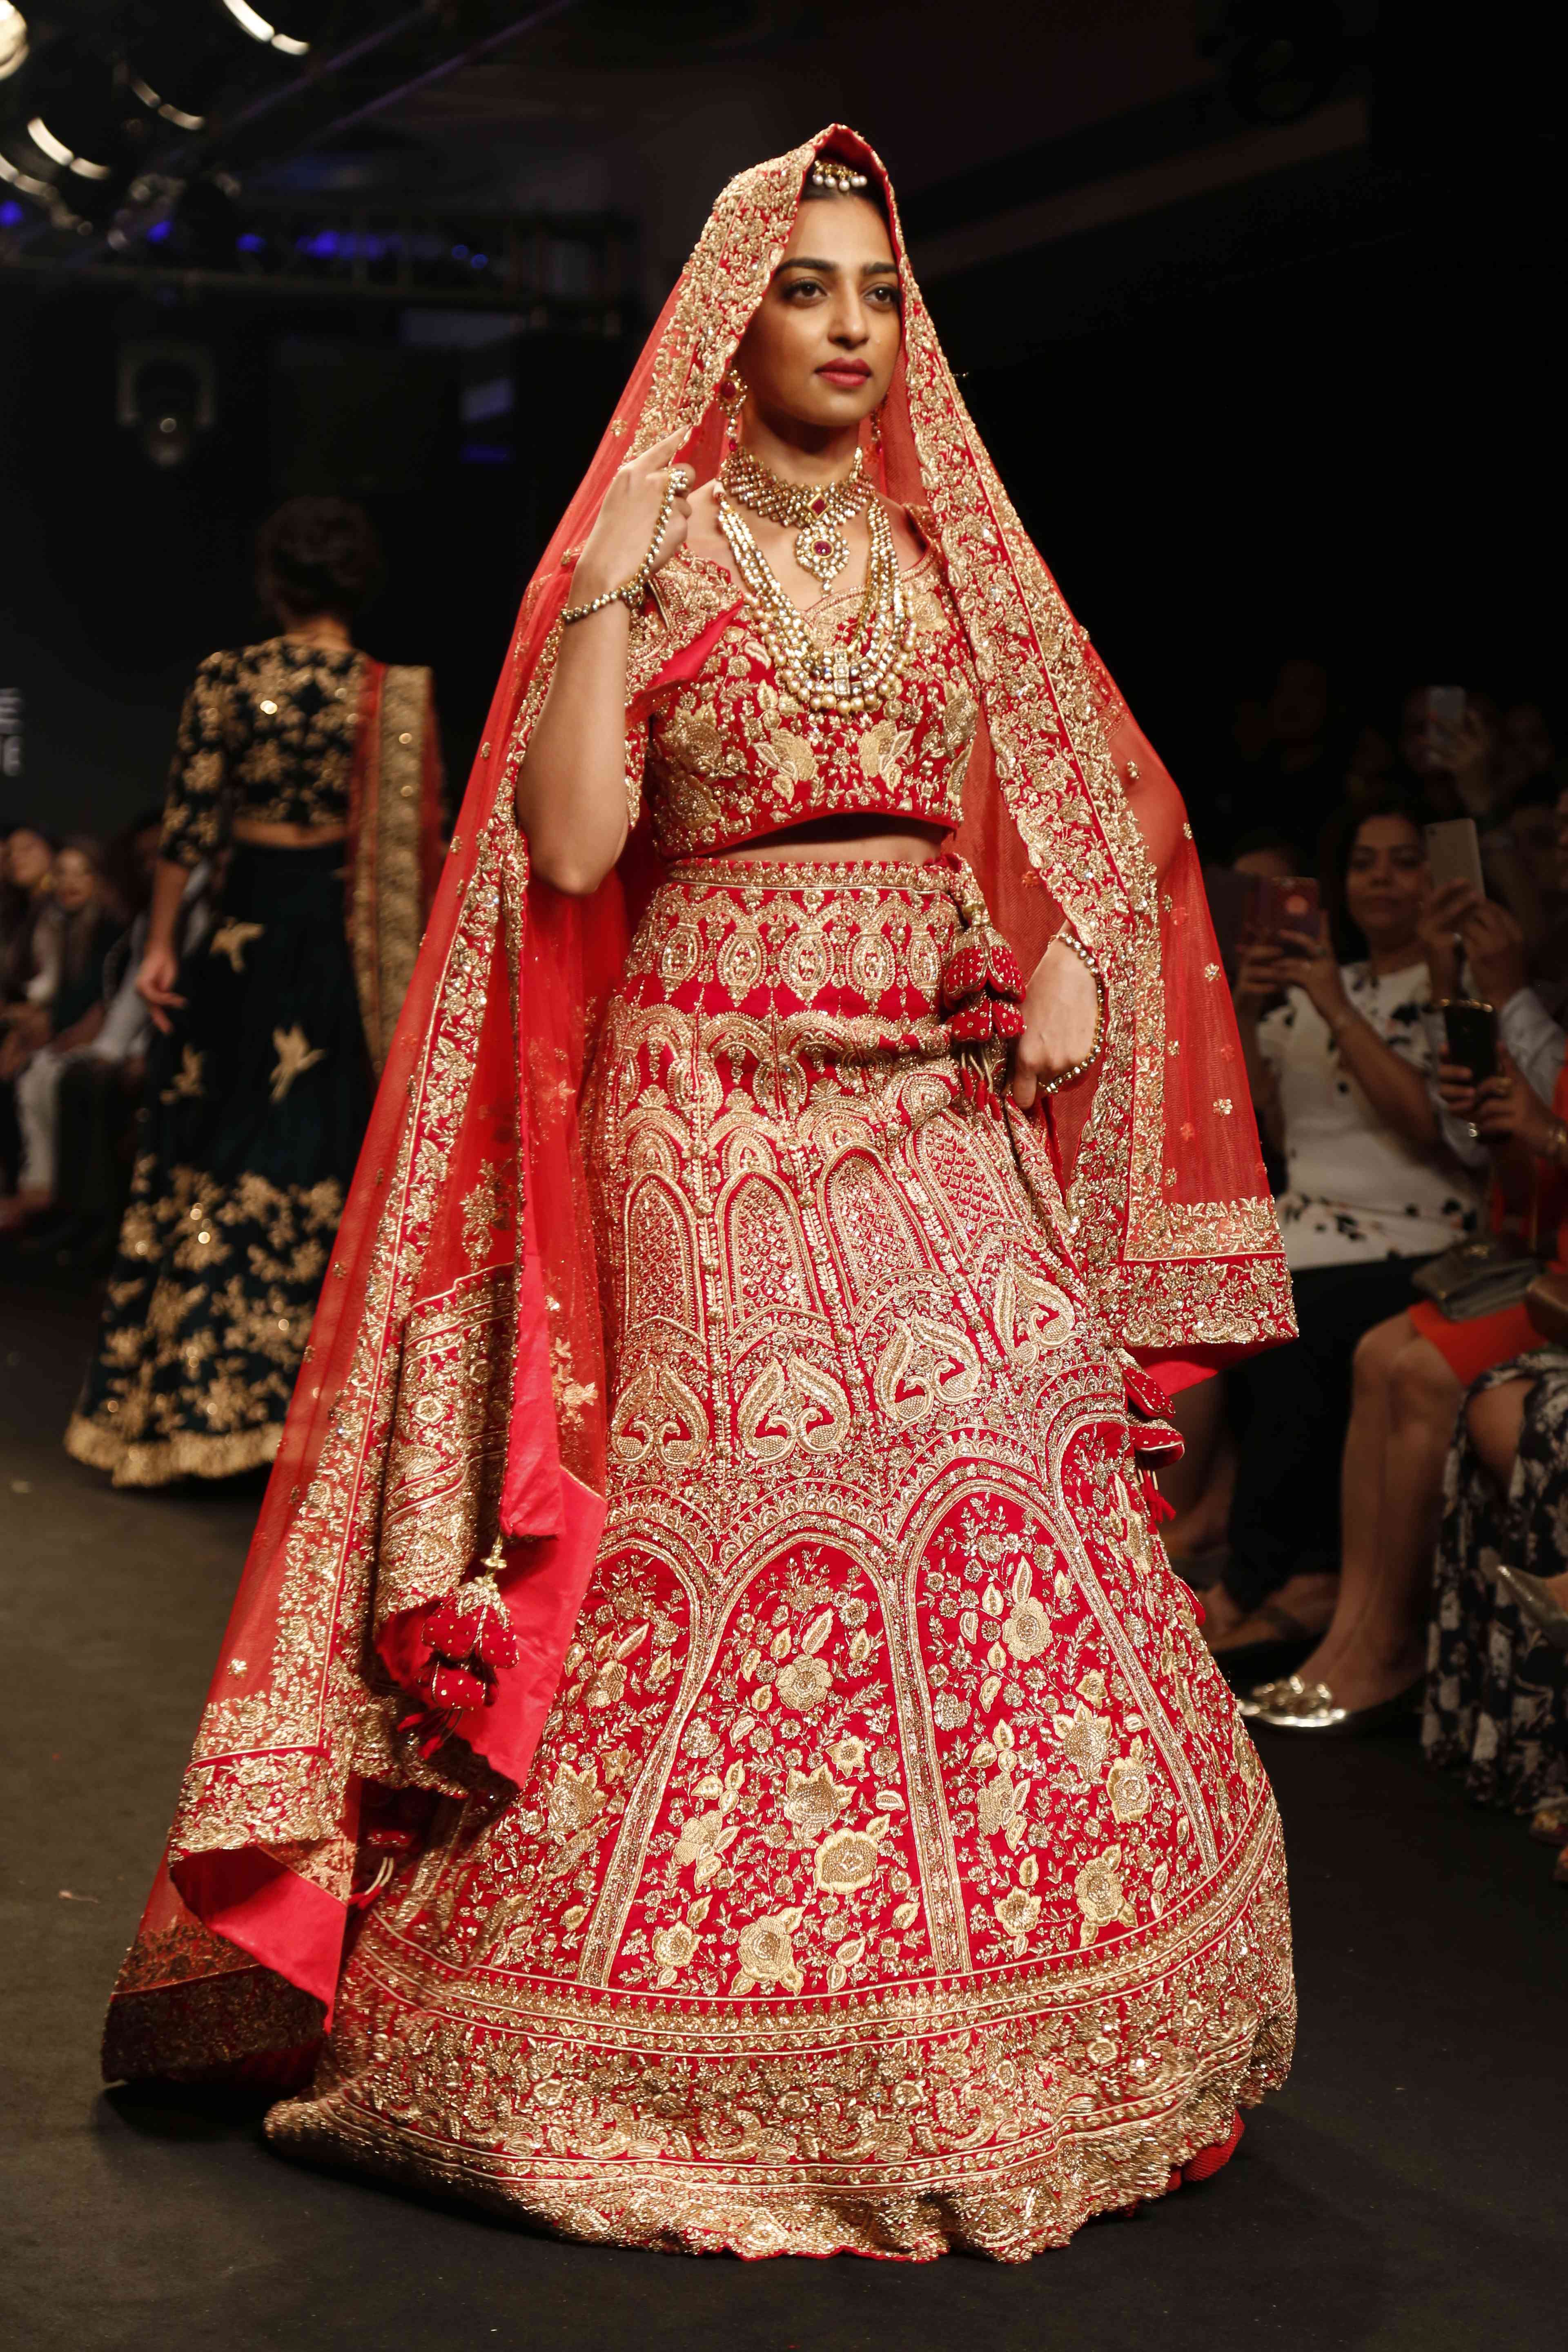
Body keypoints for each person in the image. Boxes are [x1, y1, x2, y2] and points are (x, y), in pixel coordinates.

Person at [101, 134, 1297, 2259]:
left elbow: (1078, 808)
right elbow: (572, 852)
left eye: (881, 297)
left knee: (1016, 1461)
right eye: (813, 291)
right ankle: (689, 2020)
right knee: (749, 1529)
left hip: (925, 1070)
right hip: (713, 1092)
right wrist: (607, 599)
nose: (852, 328)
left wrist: (1079, 949)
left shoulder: (949, 568)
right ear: (734, 319)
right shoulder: (659, 550)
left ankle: (1029, 2013)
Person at [64, 497, 443, 1486]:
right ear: (358, 586)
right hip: (337, 944)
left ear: (276, 583)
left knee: (215, 1151)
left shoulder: (227, 681)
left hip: (238, 944)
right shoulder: (388, 691)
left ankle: (190, 1400)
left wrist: (156, 945)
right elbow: (406, 852)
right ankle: (313, 1423)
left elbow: (189, 829)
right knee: (316, 1149)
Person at [1207, 805, 1483, 1669]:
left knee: (1306, 1314)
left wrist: (1331, 1001)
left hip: (1420, 1230)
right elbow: (1277, 1141)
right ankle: (1246, 1561)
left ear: (1437, 881)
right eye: (1365, 863)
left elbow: (1433, 1132)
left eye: (1405, 862)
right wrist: (1252, 1017)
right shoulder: (1311, 985)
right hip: (1311, 1225)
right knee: (1222, 1284)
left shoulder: (1453, 988)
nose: (1382, 879)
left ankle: (1280, 1579)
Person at [2, 837, 125, 1229]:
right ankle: (35, 1190)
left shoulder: (109, 928)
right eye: (64, 873)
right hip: (58, 1031)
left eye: (83, 872)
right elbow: (44, 988)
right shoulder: (56, 923)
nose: (71, 882)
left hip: (97, 1037)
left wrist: (47, 1032)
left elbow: (98, 1000)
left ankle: (58, 1202)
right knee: (30, 1071)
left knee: (47, 1074)